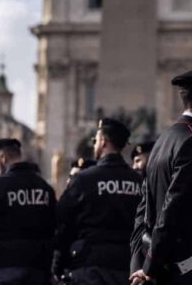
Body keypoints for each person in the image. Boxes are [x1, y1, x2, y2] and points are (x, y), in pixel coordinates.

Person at [130, 60, 192, 285]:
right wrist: (150, 267)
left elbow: (143, 212)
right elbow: (174, 207)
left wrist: (140, 265)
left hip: (164, 271)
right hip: (190, 273)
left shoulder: (163, 141)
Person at [53, 118, 144, 285]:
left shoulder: (83, 180)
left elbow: (61, 221)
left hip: (90, 268)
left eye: (96, 140)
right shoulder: (138, 182)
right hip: (128, 268)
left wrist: (59, 264)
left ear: (103, 142)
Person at [0, 137, 57, 285]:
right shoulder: (45, 188)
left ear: (3, 158)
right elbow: (55, 227)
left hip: (3, 268)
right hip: (37, 269)